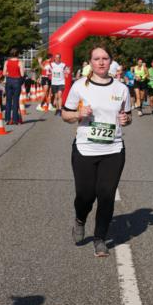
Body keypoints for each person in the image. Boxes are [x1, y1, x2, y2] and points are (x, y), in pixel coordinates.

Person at [61, 46, 132, 257]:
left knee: (106, 195)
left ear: (111, 62)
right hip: (84, 148)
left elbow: (127, 117)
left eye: (105, 58)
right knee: (85, 195)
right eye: (96, 59)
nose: (101, 62)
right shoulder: (79, 86)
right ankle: (80, 219)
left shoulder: (121, 89)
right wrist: (77, 114)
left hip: (113, 149)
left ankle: (100, 238)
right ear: (90, 63)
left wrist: (126, 120)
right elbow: (65, 114)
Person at [2, 48, 25, 125]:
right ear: (18, 54)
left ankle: (7, 119)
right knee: (15, 101)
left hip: (9, 81)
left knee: (8, 101)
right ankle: (15, 120)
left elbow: (4, 73)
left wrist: (9, 74)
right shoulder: (20, 62)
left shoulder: (7, 62)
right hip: (17, 82)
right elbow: (22, 74)